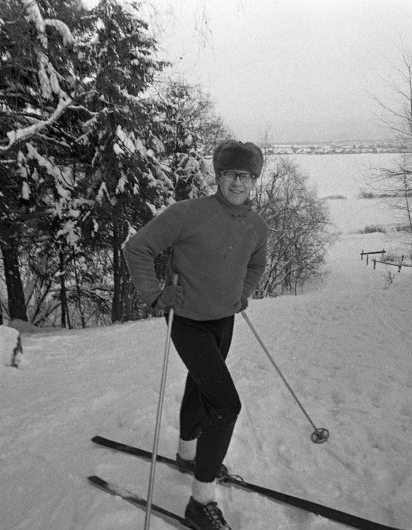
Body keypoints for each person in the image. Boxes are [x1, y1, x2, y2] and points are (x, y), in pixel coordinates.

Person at [124, 140, 268, 530]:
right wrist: (155, 296)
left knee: (201, 384)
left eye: (246, 175)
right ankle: (200, 501)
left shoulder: (256, 225)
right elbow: (137, 248)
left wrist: (242, 293)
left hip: (224, 320)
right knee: (225, 405)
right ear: (218, 175)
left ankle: (188, 453)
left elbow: (256, 262)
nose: (238, 182)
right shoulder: (189, 213)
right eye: (230, 174)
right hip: (186, 319)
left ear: (255, 180)